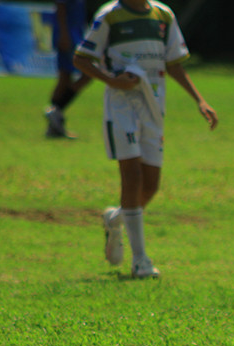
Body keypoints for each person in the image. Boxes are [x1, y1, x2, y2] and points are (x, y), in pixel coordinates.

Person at [73, 0, 217, 279]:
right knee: (132, 176)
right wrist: (112, 80)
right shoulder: (109, 15)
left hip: (154, 107)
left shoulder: (163, 14)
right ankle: (140, 260)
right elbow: (81, 59)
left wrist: (200, 100)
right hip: (122, 106)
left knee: (151, 185)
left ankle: (115, 219)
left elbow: (174, 64)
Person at [44, 0, 91, 138]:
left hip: (76, 33)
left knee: (66, 78)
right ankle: (55, 112)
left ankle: (54, 120)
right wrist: (64, 34)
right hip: (69, 35)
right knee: (85, 74)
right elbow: (60, 7)